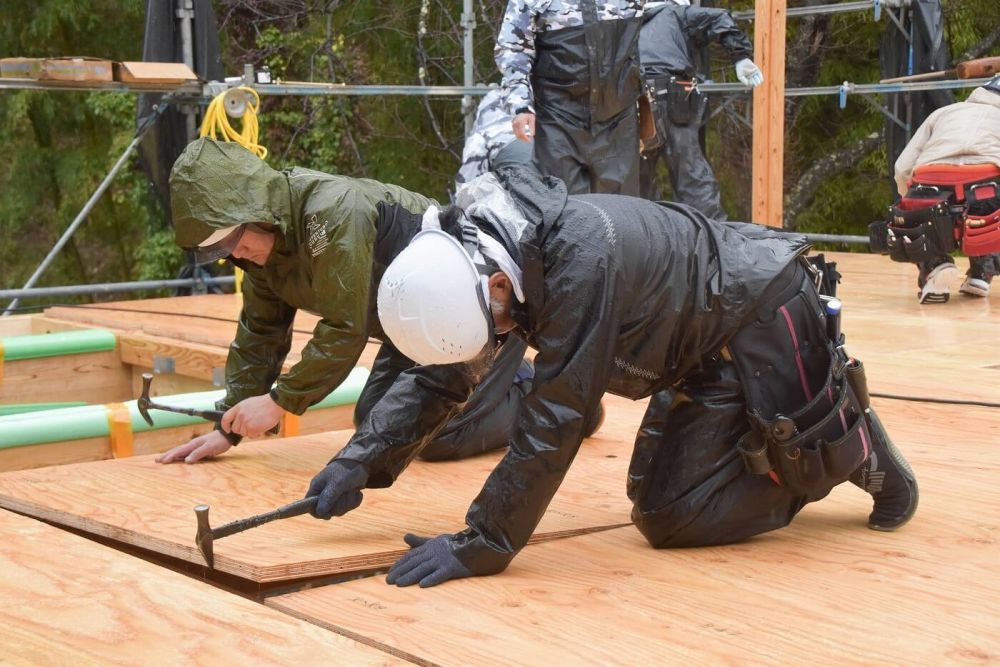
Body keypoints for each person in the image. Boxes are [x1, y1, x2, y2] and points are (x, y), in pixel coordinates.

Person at [305, 168, 919, 589]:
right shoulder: (498, 256)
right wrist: (360, 459)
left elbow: (555, 419)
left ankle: (849, 448)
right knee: (662, 508)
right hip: (692, 344)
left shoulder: (577, 264)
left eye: (487, 323)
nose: (493, 338)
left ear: (494, 286)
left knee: (681, 513)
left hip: (760, 311)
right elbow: (446, 377)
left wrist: (483, 541)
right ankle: (784, 441)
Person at [154, 137, 538, 465]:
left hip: (472, 316)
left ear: (257, 212)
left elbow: (345, 327)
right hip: (413, 333)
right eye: (221, 249)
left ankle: (528, 384)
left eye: (234, 238)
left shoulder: (331, 211)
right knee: (379, 424)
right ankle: (504, 373)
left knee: (438, 436)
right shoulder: (258, 258)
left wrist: (279, 401)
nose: (234, 253)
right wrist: (227, 425)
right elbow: (259, 335)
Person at [495, 0, 645, 196]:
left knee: (621, 212)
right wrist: (520, 105)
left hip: (618, 119)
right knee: (564, 209)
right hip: (557, 118)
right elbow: (513, 49)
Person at [638, 0, 763, 218]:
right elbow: (719, 18)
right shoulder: (678, 14)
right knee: (692, 178)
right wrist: (741, 56)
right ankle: (713, 242)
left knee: (637, 182)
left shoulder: (628, 21)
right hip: (674, 97)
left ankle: (642, 242)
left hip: (637, 100)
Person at [892, 75, 1000, 303]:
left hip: (931, 185)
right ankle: (983, 270)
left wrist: (910, 204)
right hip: (986, 191)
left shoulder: (944, 112)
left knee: (919, 215)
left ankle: (935, 265)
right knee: (982, 207)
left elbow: (902, 167)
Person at [455, 87, 534, 191]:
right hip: (549, 153)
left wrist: (462, 198)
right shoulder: (545, 90)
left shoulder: (490, 110)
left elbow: (475, 155)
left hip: (512, 157)